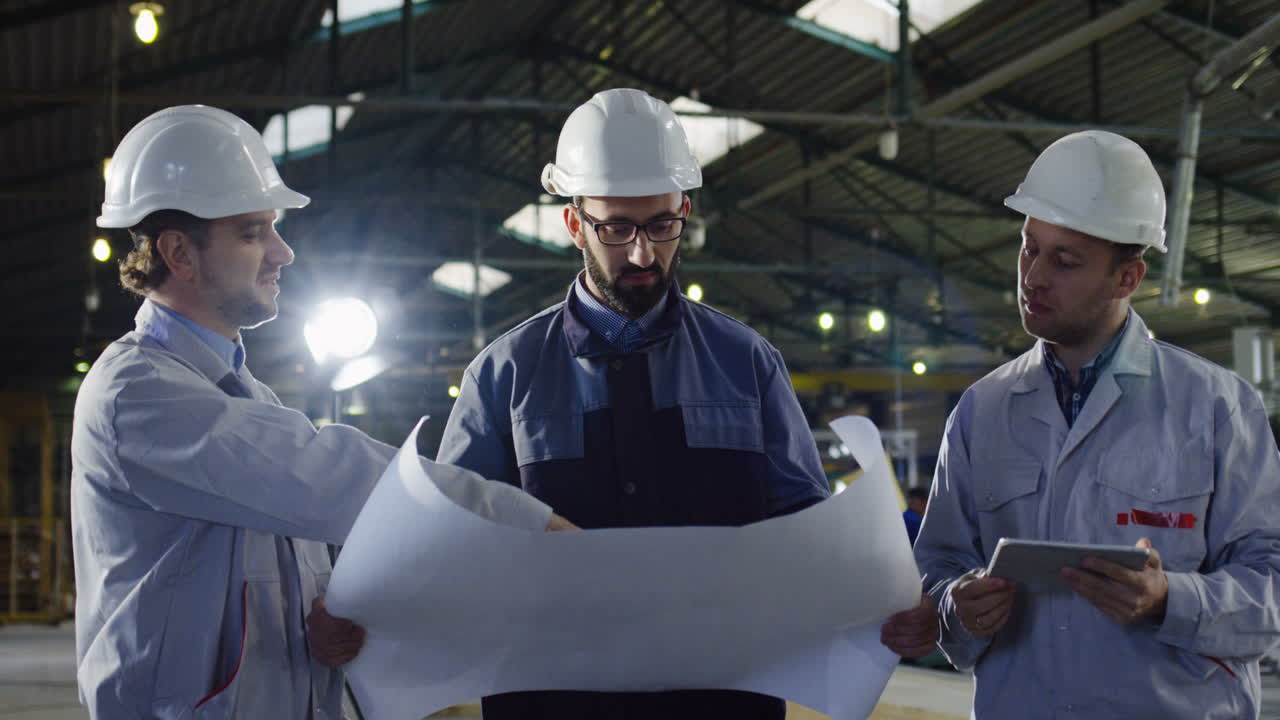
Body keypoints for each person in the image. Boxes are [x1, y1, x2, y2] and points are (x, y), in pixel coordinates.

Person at [437, 88, 938, 720]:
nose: (643, 253)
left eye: (661, 225)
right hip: (554, 702)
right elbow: (448, 539)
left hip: (721, 700)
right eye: (617, 228)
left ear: (685, 211)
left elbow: (807, 530)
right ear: (574, 224)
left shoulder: (747, 363)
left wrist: (875, 591)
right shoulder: (504, 374)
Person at [71, 105, 572, 720]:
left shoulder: (250, 398)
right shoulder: (136, 394)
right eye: (252, 233)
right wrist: (532, 529)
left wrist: (323, 619)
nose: (282, 252)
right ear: (179, 251)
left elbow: (274, 565)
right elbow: (334, 476)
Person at [913, 130, 1280, 718]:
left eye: (1065, 261)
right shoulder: (983, 411)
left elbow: (1272, 586)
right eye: (1029, 248)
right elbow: (935, 567)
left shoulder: (1216, 408)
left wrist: (1172, 598)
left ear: (1127, 278)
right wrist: (956, 605)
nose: (1033, 276)